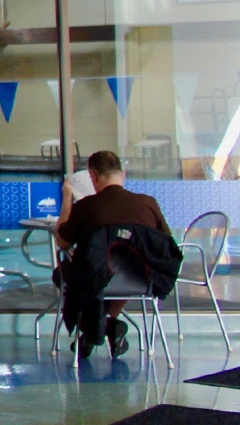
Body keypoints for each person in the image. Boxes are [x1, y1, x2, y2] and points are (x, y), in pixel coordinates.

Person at [55, 151, 179, 358]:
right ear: (123, 174)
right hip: (141, 281)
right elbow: (166, 242)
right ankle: (108, 322)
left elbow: (63, 241)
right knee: (126, 263)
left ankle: (98, 327)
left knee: (66, 272)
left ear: (93, 176)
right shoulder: (148, 203)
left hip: (96, 279)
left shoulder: (86, 206)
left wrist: (67, 197)